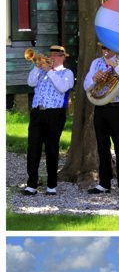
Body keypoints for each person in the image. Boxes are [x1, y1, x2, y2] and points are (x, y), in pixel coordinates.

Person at [83, 43, 119, 198]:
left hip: (117, 107)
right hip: (100, 107)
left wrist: (115, 66)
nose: (105, 51)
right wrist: (94, 78)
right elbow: (86, 85)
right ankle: (104, 183)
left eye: (108, 48)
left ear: (115, 48)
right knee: (102, 147)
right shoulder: (95, 63)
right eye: (103, 48)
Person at [22, 45, 74, 196]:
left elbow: (63, 87)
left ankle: (52, 185)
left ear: (63, 57)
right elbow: (31, 83)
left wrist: (49, 71)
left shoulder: (67, 73)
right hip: (38, 112)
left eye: (57, 55)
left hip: (55, 114)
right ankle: (31, 184)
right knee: (33, 148)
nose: (52, 57)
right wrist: (37, 67)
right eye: (51, 54)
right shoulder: (41, 71)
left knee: (52, 149)